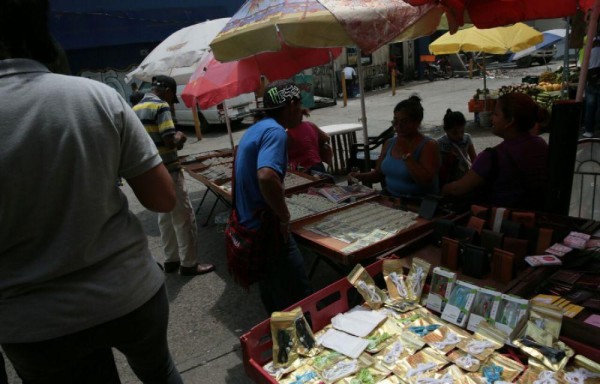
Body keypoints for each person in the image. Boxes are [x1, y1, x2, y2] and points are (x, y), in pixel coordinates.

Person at [0, 0, 183, 382]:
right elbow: (162, 199)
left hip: (35, 323)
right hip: (128, 293)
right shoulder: (94, 98)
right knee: (159, 372)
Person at [227, 79, 312, 314]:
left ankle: (281, 343)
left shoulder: (257, 128)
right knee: (298, 298)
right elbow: (266, 176)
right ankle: (302, 343)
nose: (302, 113)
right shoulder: (275, 131)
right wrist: (284, 215)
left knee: (274, 297)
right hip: (267, 231)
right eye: (300, 105)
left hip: (250, 229)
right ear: (292, 104)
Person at [133, 75, 215, 276]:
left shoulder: (135, 110)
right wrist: (181, 136)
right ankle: (189, 264)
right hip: (170, 169)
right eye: (172, 98)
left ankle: (171, 260)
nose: (172, 102)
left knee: (165, 216)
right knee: (183, 216)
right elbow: (170, 140)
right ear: (168, 91)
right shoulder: (161, 107)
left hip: (152, 172)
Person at [442, 92, 549, 210]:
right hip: (536, 216)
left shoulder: (491, 157)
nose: (491, 118)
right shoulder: (540, 144)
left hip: (504, 222)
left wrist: (443, 188)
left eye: (496, 114)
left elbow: (458, 189)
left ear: (510, 121)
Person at [349, 96, 440, 200]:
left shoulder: (429, 146)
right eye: (395, 121)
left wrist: (407, 155)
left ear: (417, 122)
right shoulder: (389, 143)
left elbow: (425, 182)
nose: (398, 126)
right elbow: (378, 174)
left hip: (417, 203)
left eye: (404, 122)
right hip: (390, 198)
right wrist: (358, 176)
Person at [437, 109, 477, 187]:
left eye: (462, 131)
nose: (460, 136)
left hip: (464, 179)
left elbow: (474, 160)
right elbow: (437, 167)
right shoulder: (439, 143)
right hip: (447, 182)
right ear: (446, 130)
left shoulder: (467, 138)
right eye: (455, 133)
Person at [287, 108, 333, 173]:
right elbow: (327, 138)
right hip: (318, 166)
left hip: (302, 171)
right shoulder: (311, 125)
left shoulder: (288, 133)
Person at [583, 33, 600, 138]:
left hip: (591, 81)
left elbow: (585, 65)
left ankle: (589, 130)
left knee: (590, 107)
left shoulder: (588, 49)